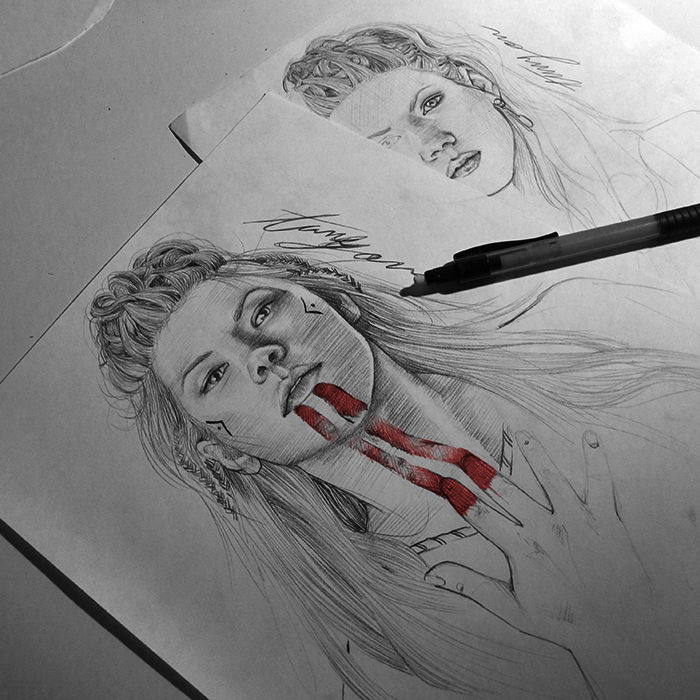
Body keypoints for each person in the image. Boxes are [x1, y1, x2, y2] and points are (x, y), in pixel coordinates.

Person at [90, 237, 700, 699]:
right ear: (226, 453)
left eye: (262, 313)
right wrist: (615, 635)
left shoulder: (600, 356)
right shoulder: (388, 646)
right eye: (213, 376)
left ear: (331, 299)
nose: (263, 357)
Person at [283, 23, 697, 228]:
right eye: (387, 144)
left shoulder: (666, 154)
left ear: (478, 84)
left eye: (430, 103)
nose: (434, 144)